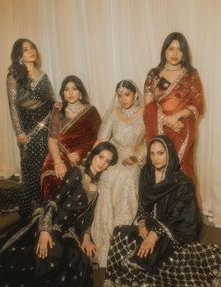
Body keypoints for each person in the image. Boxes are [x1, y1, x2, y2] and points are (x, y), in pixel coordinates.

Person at [0, 142, 118, 287]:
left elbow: (88, 217)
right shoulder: (76, 172)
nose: (103, 163)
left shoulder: (96, 187)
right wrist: (44, 230)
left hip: (69, 231)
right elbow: (54, 202)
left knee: (81, 262)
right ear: (93, 155)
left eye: (107, 161)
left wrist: (86, 239)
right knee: (52, 255)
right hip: (51, 221)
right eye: (101, 157)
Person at [104, 136, 221, 287]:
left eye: (160, 153)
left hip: (173, 231)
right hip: (151, 224)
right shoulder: (146, 174)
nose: (155, 158)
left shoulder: (182, 183)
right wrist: (141, 221)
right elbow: (143, 205)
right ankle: (110, 280)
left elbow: (177, 216)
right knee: (119, 232)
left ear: (169, 154)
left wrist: (154, 234)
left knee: (155, 260)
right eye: (152, 154)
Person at [91, 80, 146, 268]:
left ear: (136, 95)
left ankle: (124, 238)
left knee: (128, 178)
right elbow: (102, 139)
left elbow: (150, 141)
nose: (123, 99)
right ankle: (104, 240)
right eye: (120, 95)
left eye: (127, 94)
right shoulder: (114, 114)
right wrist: (89, 162)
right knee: (108, 175)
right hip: (113, 156)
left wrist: (138, 157)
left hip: (134, 157)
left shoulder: (145, 113)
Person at [143, 32, 204, 182]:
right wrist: (165, 120)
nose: (175, 53)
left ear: (184, 53)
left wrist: (176, 116)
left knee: (183, 168)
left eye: (179, 49)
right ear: (164, 50)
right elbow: (149, 104)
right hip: (158, 127)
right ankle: (161, 205)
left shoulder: (191, 74)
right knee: (159, 166)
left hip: (182, 127)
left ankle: (183, 205)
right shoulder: (154, 74)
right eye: (171, 48)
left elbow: (198, 103)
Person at [5, 38, 55, 217]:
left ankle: (45, 205)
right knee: (30, 167)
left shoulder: (43, 75)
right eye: (26, 49)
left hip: (47, 128)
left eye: (32, 47)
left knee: (45, 165)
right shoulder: (14, 75)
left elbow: (49, 101)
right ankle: (30, 208)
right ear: (19, 55)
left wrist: (55, 106)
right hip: (27, 130)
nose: (31, 51)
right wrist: (19, 132)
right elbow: (13, 106)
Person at [41, 75, 101, 199]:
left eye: (74, 89)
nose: (70, 93)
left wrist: (81, 154)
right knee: (52, 177)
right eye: (66, 89)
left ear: (80, 92)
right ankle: (51, 212)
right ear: (63, 93)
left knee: (75, 179)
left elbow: (98, 138)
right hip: (58, 155)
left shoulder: (91, 111)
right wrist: (58, 163)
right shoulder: (57, 112)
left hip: (83, 157)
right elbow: (52, 140)